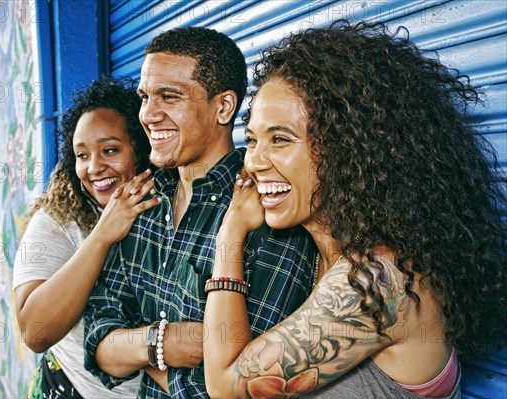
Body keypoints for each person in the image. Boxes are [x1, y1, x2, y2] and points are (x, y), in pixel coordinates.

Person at [203, 20, 507, 398]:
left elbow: (223, 386)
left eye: (280, 139)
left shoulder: (379, 279)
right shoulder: (313, 253)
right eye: (251, 140)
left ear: (346, 149)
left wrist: (229, 233)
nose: (253, 161)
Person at [83, 27, 317, 398]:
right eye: (145, 97)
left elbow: (243, 385)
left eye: (169, 97)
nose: (147, 114)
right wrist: (164, 342)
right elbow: (97, 341)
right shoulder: (141, 200)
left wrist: (137, 352)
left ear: (223, 107)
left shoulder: (267, 210)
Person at [13, 77, 160, 398]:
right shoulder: (57, 220)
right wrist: (101, 236)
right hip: (72, 390)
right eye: (82, 155)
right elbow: (34, 332)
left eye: (110, 150)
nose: (94, 167)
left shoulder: (168, 207)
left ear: (140, 145)